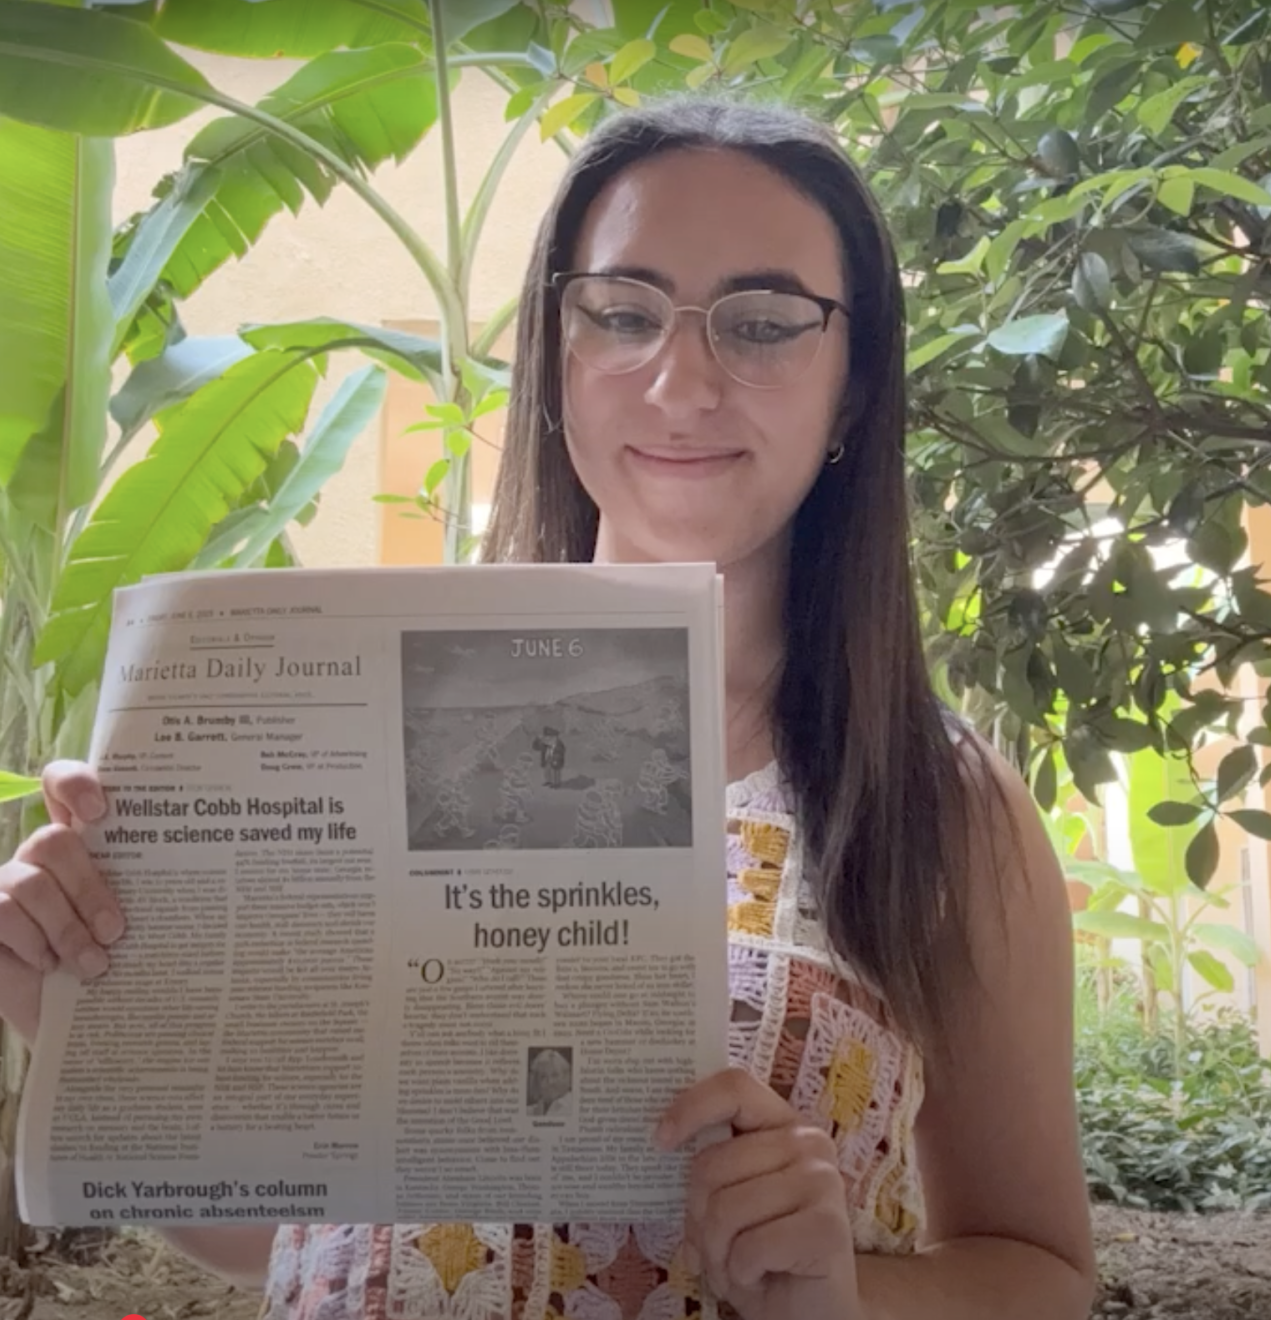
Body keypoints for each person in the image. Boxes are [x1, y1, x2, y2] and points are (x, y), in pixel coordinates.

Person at [0, 98, 1097, 1319]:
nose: (681, 382)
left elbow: (1039, 1270)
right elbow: (291, 1235)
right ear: (556, 353)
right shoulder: (350, 713)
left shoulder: (932, 803)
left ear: (850, 389)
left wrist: (840, 1290)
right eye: (622, 315)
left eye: (766, 324)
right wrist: (82, 1024)